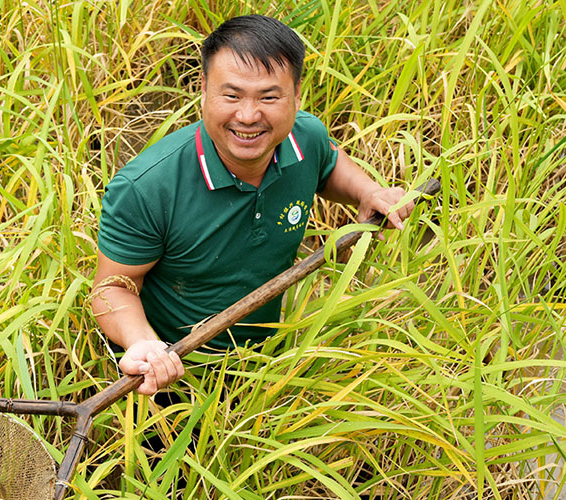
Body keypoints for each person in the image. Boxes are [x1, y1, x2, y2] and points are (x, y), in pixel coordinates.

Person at [91, 15, 415, 396]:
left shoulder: (304, 137)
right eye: (231, 96)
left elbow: (327, 165)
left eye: (268, 97)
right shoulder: (145, 188)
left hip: (268, 365)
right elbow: (112, 288)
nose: (247, 116)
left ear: (296, 96)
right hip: (171, 376)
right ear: (204, 90)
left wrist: (367, 191)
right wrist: (143, 345)